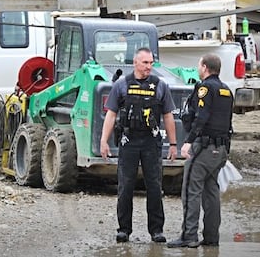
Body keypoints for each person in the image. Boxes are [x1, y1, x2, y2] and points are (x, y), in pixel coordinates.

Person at [100, 47, 178, 244]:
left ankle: (156, 230)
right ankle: (124, 230)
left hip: (151, 142)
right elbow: (111, 114)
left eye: (151, 63)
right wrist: (103, 141)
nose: (149, 66)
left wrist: (173, 144)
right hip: (129, 142)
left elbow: (168, 115)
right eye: (145, 63)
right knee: (125, 187)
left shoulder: (160, 86)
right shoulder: (121, 85)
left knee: (154, 186)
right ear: (135, 63)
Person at [168, 53, 234, 248]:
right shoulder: (226, 90)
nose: (198, 69)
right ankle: (212, 237)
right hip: (220, 149)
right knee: (211, 191)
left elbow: (202, 117)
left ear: (205, 67)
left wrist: (188, 141)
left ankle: (189, 236)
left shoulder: (205, 88)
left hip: (204, 148)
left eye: (199, 65)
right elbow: (228, 122)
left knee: (191, 190)